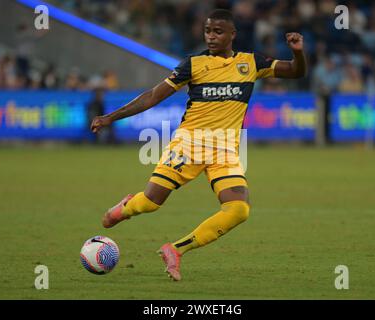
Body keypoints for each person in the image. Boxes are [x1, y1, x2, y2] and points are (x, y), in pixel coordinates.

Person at [90, 9, 306, 281]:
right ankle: (126, 208)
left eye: (218, 31)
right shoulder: (192, 64)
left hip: (225, 149)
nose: (211, 36)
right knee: (151, 202)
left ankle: (175, 250)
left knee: (239, 209)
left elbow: (296, 72)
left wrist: (297, 52)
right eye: (208, 31)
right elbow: (153, 97)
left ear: (232, 35)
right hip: (189, 144)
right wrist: (111, 117)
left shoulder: (251, 62)